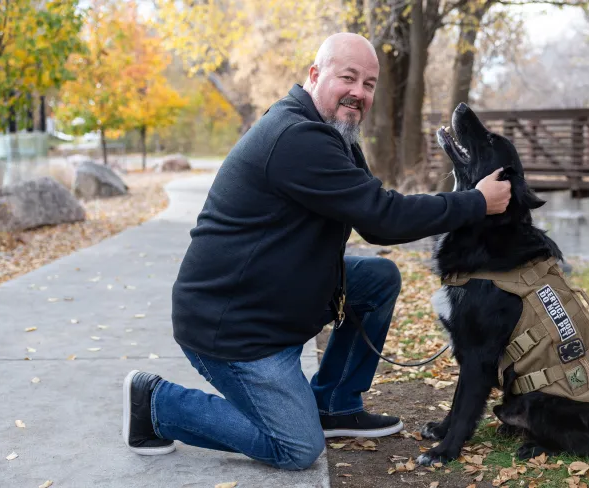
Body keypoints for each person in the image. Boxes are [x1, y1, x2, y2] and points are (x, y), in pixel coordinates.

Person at [121, 32, 512, 471]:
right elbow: (381, 217)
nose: (358, 92)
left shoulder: (331, 132)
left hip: (270, 299)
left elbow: (372, 207)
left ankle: (335, 403)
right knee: (297, 449)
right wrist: (476, 202)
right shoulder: (296, 138)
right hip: (235, 329)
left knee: (378, 280)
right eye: (348, 77)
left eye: (368, 84)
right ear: (314, 75)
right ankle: (155, 402)